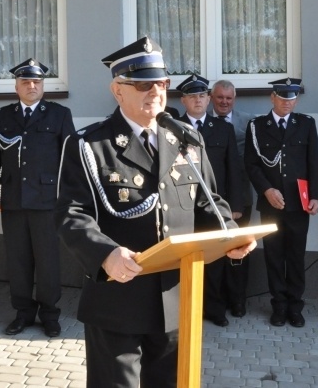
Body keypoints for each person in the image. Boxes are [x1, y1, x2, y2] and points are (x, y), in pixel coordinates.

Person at [56, 37, 255, 388]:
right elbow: (72, 215)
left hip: (177, 299)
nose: (155, 92)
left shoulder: (184, 139)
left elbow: (209, 203)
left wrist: (231, 239)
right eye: (143, 84)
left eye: (161, 83)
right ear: (117, 90)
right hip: (118, 299)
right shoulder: (89, 145)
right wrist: (105, 255)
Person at [0, 58, 75, 337]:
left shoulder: (59, 115)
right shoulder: (3, 116)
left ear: (43, 86)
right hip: (13, 200)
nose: (31, 85)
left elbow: (70, 161)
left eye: (36, 82)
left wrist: (70, 200)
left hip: (48, 202)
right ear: (16, 86)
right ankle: (22, 313)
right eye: (26, 81)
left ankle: (49, 314)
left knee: (47, 261)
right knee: (18, 261)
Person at [244, 78, 318, 328]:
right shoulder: (257, 126)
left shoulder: (306, 124)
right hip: (271, 204)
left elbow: (314, 162)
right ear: (272, 98)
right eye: (283, 97)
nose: (288, 103)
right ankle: (278, 305)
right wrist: (266, 190)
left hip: (299, 203)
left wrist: (316, 196)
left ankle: (295, 307)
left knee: (296, 256)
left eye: (292, 98)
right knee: (274, 256)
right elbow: (252, 164)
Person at [177, 74, 244, 327]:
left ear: (208, 99)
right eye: (192, 96)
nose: (198, 100)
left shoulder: (223, 129)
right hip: (182, 206)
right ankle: (187, 309)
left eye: (202, 95)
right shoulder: (170, 128)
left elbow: (234, 170)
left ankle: (214, 309)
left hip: (214, 207)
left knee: (214, 262)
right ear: (183, 100)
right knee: (184, 260)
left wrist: (235, 207)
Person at [210, 79, 254, 317]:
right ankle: (216, 301)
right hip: (212, 198)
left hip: (241, 196)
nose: (224, 102)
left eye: (228, 98)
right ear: (211, 97)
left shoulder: (248, 122)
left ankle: (238, 300)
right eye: (220, 98)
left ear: (234, 99)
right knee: (214, 252)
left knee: (240, 249)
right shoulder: (203, 122)